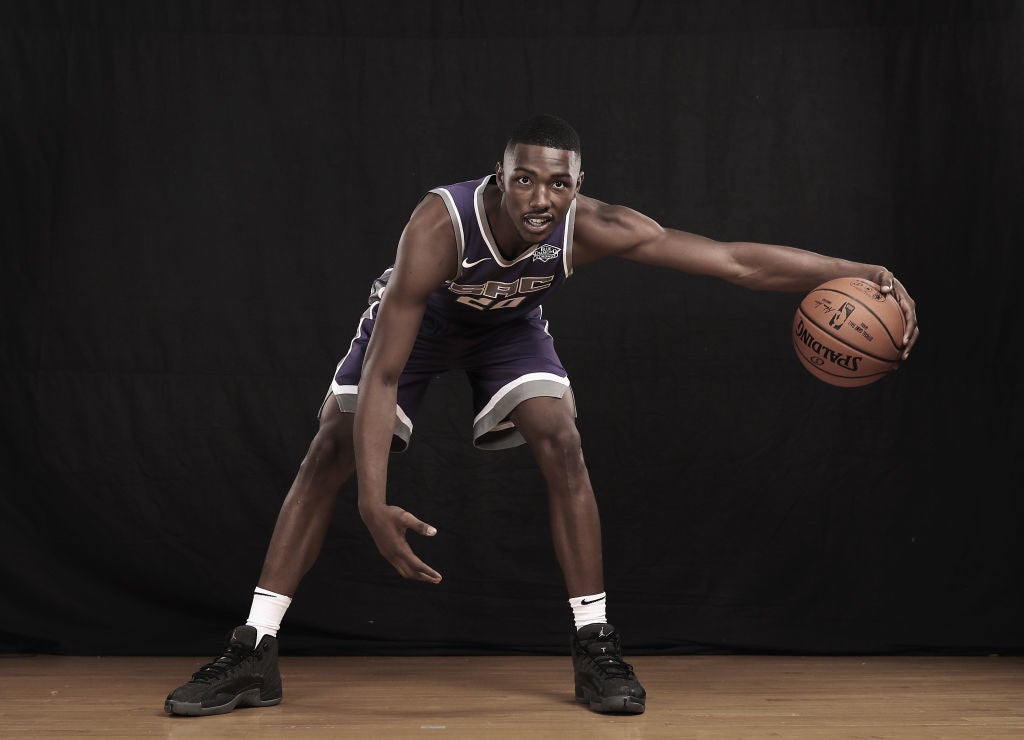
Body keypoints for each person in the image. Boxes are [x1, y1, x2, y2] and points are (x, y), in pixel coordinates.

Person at [164, 114, 920, 717]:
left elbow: (733, 261)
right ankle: (252, 650)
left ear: (577, 185)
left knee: (562, 440)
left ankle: (594, 644)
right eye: (524, 180)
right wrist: (371, 500)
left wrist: (852, 272)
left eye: (556, 184)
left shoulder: (593, 225)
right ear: (501, 178)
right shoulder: (438, 227)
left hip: (506, 328)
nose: (539, 199)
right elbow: (387, 368)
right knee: (332, 446)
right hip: (418, 331)